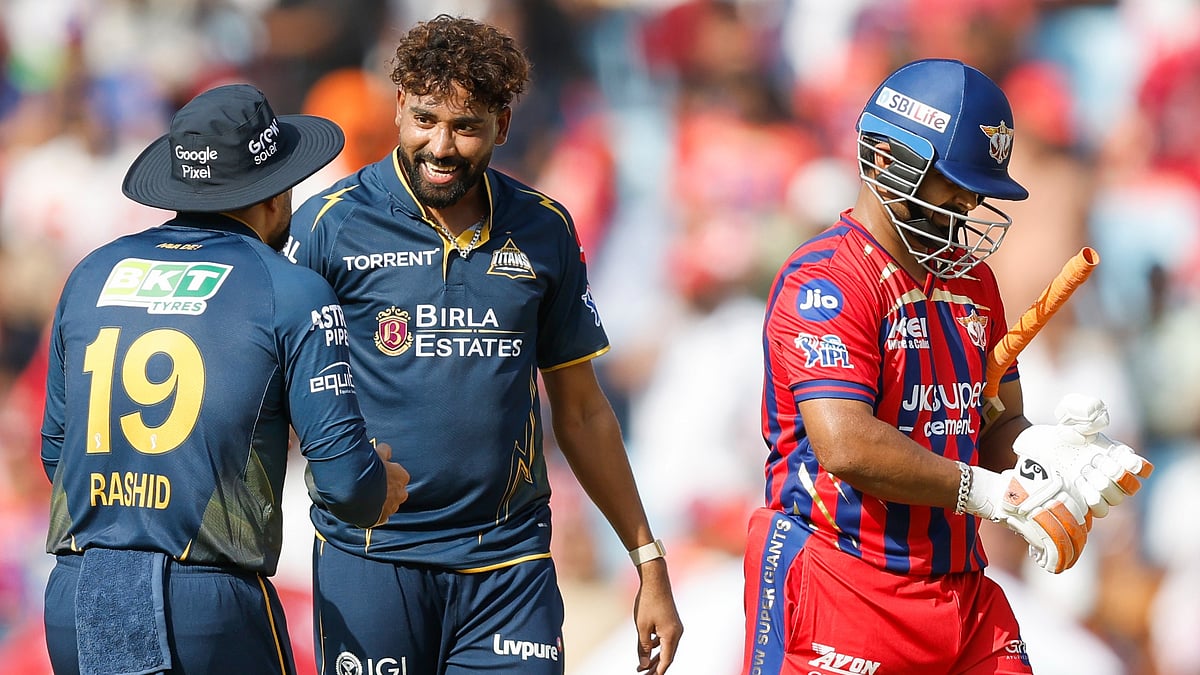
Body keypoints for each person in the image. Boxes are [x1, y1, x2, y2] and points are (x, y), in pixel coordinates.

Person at [285, 14, 683, 675]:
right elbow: (272, 386)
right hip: (372, 558)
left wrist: (648, 560)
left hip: (508, 564)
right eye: (424, 119)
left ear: (502, 124)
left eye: (465, 126)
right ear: (397, 108)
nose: (440, 145)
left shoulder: (545, 228)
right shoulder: (328, 224)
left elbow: (582, 411)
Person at [742, 58, 1153, 674]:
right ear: (885, 158)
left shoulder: (973, 280)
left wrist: (1048, 450)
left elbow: (992, 422)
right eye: (951, 180)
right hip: (843, 577)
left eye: (977, 186)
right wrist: (992, 494)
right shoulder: (826, 277)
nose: (968, 202)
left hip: (959, 587)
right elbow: (845, 444)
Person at [39, 83, 410, 675]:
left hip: (79, 596)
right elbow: (346, 486)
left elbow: (58, 454)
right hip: (206, 605)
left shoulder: (92, 273)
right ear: (272, 190)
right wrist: (377, 486)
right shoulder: (290, 290)